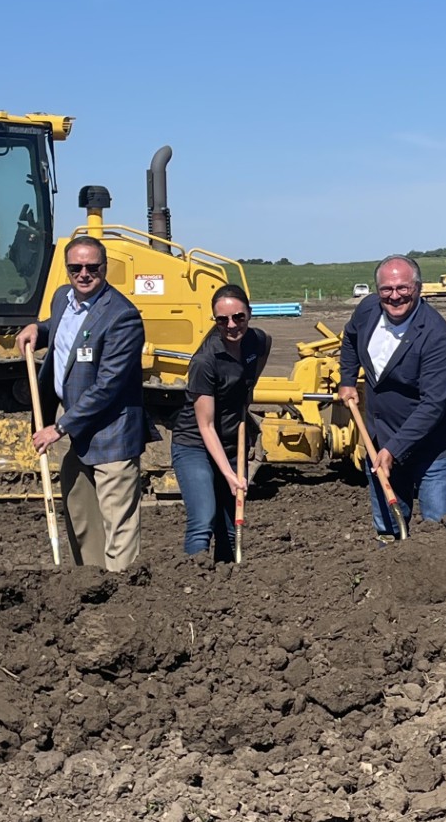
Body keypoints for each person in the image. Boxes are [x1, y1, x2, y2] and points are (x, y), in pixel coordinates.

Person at [19, 234, 150, 571]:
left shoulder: (122, 317)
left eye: (92, 267)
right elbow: (63, 329)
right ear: (67, 270)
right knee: (80, 513)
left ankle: (123, 591)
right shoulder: (63, 298)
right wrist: (39, 328)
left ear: (104, 268)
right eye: (76, 267)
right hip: (77, 431)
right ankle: (91, 581)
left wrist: (59, 428)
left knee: (117, 524)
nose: (84, 273)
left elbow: (108, 387)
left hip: (111, 433)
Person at [339, 256, 446, 537]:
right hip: (380, 436)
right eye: (387, 289)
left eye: (403, 288)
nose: (395, 296)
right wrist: (348, 379)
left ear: (418, 288)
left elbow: (433, 405)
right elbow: (349, 337)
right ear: (377, 290)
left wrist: (394, 448)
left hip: (432, 447)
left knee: (438, 527)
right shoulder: (368, 310)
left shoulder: (437, 337)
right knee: (388, 527)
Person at [170, 284, 271, 560]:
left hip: (230, 441)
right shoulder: (205, 361)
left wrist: (246, 393)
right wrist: (229, 474)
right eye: (222, 320)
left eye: (238, 317)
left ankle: (228, 584)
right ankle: (195, 583)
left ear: (249, 314)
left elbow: (260, 355)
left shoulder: (257, 341)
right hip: (195, 445)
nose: (231, 325)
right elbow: (205, 426)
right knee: (203, 519)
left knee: (230, 526)